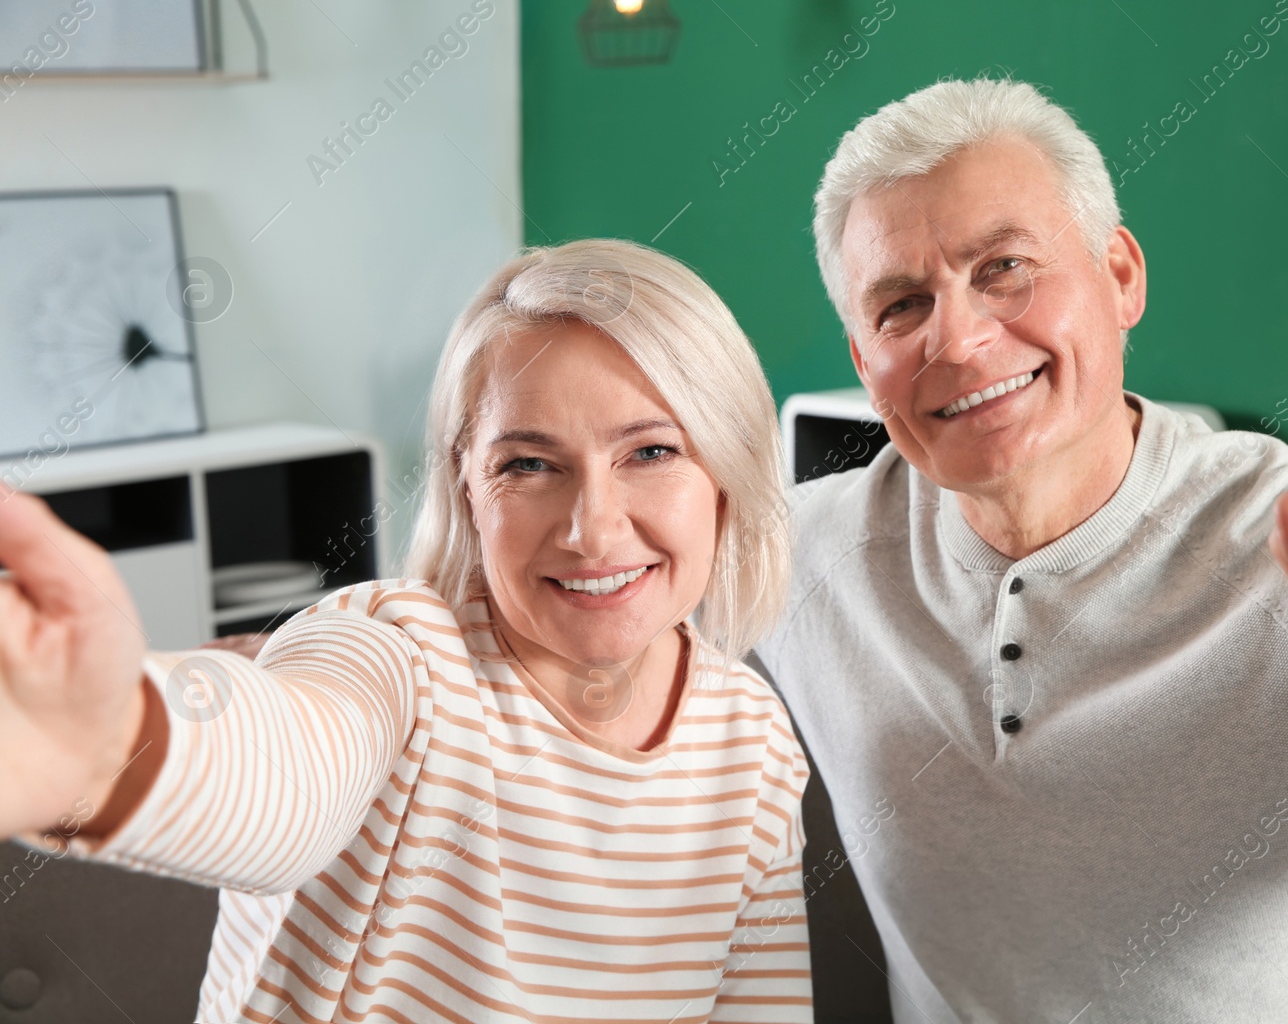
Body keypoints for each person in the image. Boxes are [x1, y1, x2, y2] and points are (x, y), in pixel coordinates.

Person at [750, 78, 1288, 1021]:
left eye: (1003, 267)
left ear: (1121, 278)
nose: (957, 336)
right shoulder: (795, 556)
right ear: (868, 366)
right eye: (902, 305)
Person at [0, 240, 814, 1023]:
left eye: (651, 451)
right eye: (528, 464)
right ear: (468, 485)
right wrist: (110, 742)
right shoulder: (399, 650)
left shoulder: (753, 738)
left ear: (728, 472)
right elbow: (291, 774)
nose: (592, 530)